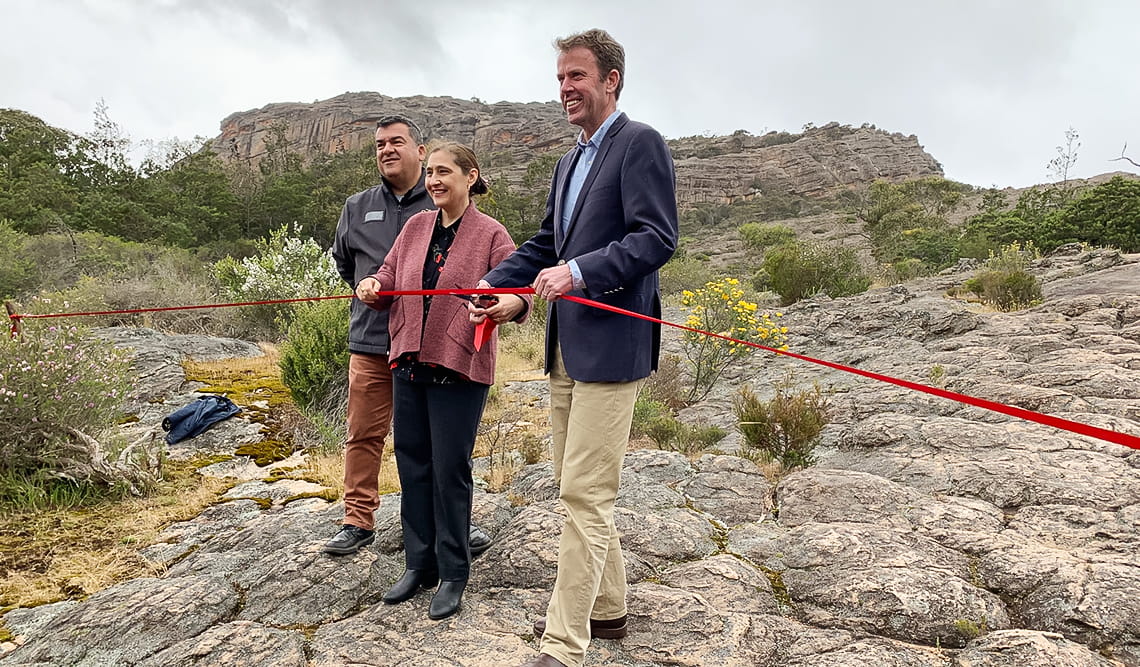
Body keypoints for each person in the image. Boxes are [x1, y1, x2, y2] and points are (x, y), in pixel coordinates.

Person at [475, 28, 678, 667]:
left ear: (610, 80)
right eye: (560, 78)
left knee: (584, 496)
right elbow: (543, 245)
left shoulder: (640, 143)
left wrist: (581, 272)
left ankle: (564, 645)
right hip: (564, 347)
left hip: (614, 348)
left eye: (577, 77)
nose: (565, 88)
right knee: (573, 483)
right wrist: (493, 282)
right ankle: (610, 608)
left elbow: (656, 237)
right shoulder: (569, 160)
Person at [356, 142, 530, 620]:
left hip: (460, 365)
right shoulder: (414, 227)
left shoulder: (492, 234)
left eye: (443, 172)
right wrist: (371, 287)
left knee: (449, 470)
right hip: (408, 360)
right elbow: (387, 277)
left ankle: (454, 572)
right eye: (429, 172)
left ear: (470, 177)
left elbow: (519, 288)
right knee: (412, 464)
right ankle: (419, 564)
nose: (433, 180)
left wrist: (511, 304)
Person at [327, 117, 493, 557]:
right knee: (364, 434)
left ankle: (454, 524)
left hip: (433, 347)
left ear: (420, 151)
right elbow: (347, 265)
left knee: (440, 444)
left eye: (397, 142)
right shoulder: (357, 206)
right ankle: (357, 521)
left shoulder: (443, 196)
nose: (387, 150)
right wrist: (371, 288)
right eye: (379, 144)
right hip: (371, 340)